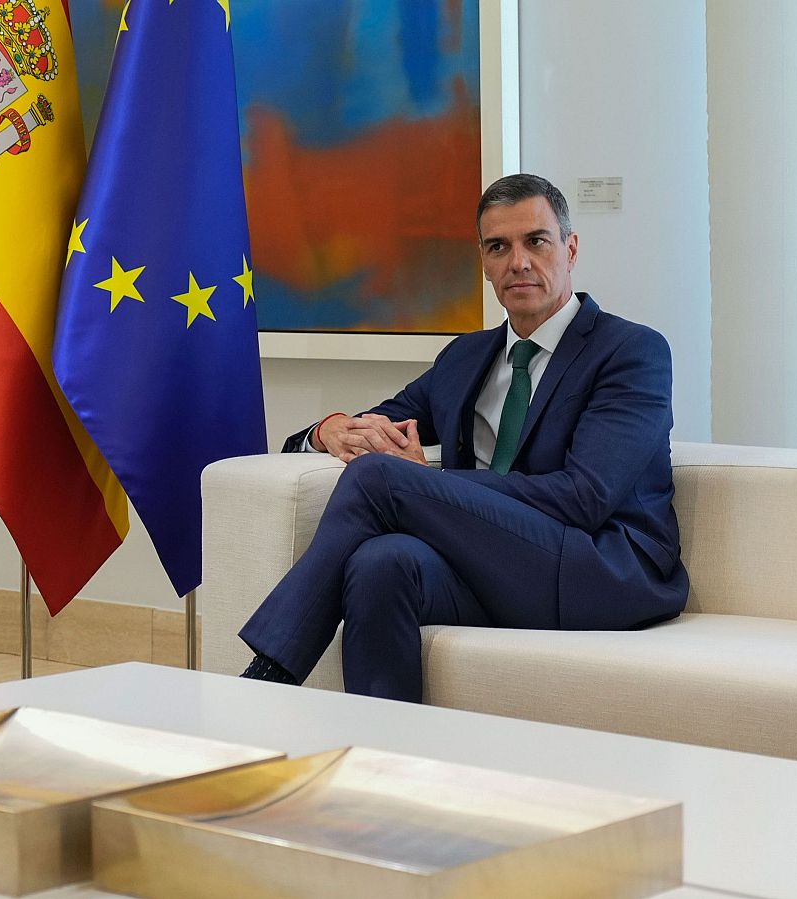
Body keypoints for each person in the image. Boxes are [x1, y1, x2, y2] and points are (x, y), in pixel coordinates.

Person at [238, 174, 688, 702]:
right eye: (498, 247)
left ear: (570, 249)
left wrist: (433, 482)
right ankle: (384, 756)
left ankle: (266, 681)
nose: (518, 261)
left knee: (382, 478)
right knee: (380, 563)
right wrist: (326, 430)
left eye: (535, 241)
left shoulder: (630, 351)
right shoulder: (465, 358)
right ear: (484, 261)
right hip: (493, 567)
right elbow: (381, 423)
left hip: (597, 569)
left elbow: (584, 497)